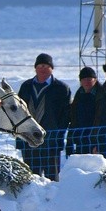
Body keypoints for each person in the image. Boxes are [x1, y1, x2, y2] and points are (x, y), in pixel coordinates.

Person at [15, 53, 71, 181]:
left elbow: (65, 116)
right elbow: (18, 112)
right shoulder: (26, 86)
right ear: (35, 68)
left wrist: (58, 136)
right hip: (29, 139)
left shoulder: (61, 88)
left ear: (52, 68)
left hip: (50, 140)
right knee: (31, 178)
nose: (43, 68)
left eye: (46, 66)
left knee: (52, 178)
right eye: (40, 65)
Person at [68, 66, 100, 155]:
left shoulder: (102, 95)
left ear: (95, 80)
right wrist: (71, 139)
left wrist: (97, 142)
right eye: (84, 79)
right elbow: (74, 118)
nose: (87, 81)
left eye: (90, 79)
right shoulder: (79, 95)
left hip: (97, 139)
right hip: (80, 139)